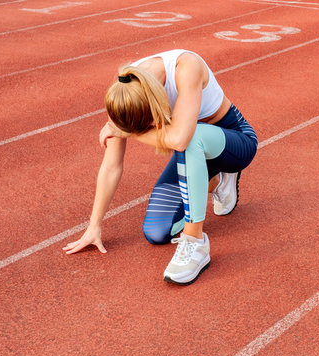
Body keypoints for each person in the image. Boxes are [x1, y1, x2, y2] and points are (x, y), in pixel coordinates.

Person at [62, 49, 258, 285]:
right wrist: (94, 225)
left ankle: (195, 243)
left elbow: (179, 140)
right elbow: (111, 166)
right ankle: (218, 182)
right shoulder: (125, 90)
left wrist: (129, 132)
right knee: (156, 232)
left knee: (189, 138)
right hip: (192, 155)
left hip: (234, 141)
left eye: (148, 125)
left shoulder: (186, 67)